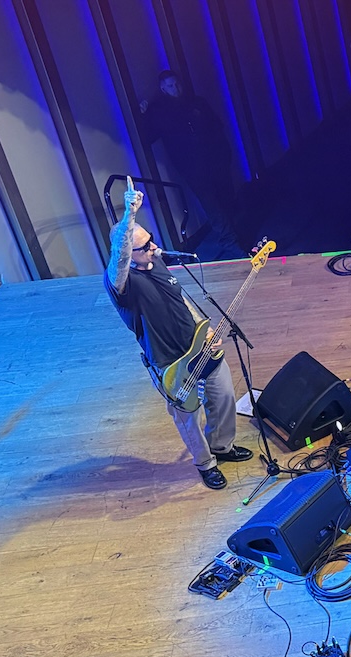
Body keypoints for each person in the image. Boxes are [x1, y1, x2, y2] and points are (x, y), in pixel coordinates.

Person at [105, 181, 250, 490]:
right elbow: (118, 257)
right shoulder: (121, 285)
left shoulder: (156, 264)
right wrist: (130, 215)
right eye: (145, 246)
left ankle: (222, 447)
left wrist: (205, 326)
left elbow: (180, 298)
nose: (155, 248)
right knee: (189, 417)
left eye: (152, 241)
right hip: (171, 362)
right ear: (130, 252)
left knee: (223, 397)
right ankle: (205, 463)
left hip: (200, 346)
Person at [138, 71, 240, 256]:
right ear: (163, 88)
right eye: (170, 86)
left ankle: (233, 236)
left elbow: (217, 127)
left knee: (225, 199)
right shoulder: (159, 112)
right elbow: (148, 137)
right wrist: (144, 115)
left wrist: (225, 154)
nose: (176, 89)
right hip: (191, 167)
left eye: (177, 84)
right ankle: (231, 242)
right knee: (212, 205)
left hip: (214, 161)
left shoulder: (196, 102)